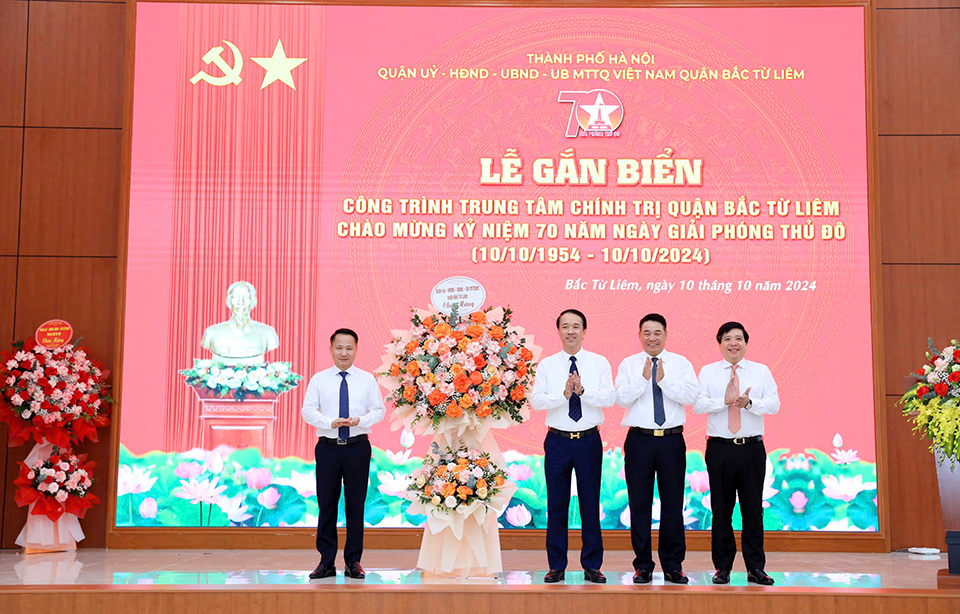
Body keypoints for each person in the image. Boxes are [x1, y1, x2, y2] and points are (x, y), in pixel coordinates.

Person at [531, 309, 616, 584]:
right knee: (557, 505)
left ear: (584, 331)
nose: (571, 331)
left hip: (588, 440)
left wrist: (583, 392)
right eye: (565, 326)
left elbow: (610, 397)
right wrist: (564, 395)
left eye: (576, 326)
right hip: (557, 441)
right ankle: (556, 565)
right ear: (558, 331)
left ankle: (592, 565)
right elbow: (537, 401)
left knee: (590, 504)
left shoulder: (599, 362)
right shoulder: (547, 365)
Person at [615, 313, 700, 584]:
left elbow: (690, 396)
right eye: (647, 333)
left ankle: (673, 565)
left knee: (673, 505)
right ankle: (643, 565)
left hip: (671, 441)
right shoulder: (629, 364)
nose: (652, 337)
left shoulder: (681, 364)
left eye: (658, 332)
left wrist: (663, 380)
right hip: (639, 441)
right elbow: (620, 398)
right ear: (639, 335)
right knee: (639, 505)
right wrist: (644, 379)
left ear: (666, 334)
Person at [693, 322, 780, 586]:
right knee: (721, 510)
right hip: (720, 448)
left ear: (746, 342)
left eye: (739, 338)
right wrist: (724, 401)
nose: (734, 343)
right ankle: (722, 568)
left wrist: (749, 403)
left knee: (753, 510)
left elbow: (774, 404)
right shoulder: (708, 372)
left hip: (752, 448)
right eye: (728, 339)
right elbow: (697, 404)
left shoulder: (761, 371)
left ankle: (756, 568)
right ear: (719, 343)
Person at [301, 328, 386, 580]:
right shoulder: (319, 379)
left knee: (355, 505)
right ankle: (326, 561)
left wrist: (360, 419)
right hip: (327, 448)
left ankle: (353, 562)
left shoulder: (367, 379)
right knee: (326, 505)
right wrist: (330, 422)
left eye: (349, 348)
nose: (344, 352)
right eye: (339, 347)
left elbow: (379, 411)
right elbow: (308, 411)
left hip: (358, 447)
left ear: (356, 350)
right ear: (331, 349)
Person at [200, 281, 280, 366]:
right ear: (228, 301)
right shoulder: (212, 333)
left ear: (253, 302)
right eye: (235, 297)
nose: (240, 302)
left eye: (246, 298)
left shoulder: (267, 333)